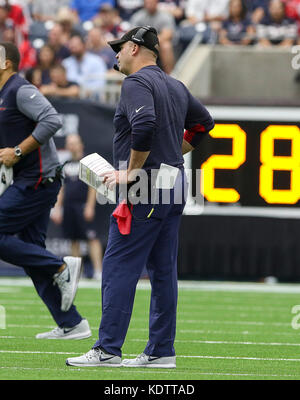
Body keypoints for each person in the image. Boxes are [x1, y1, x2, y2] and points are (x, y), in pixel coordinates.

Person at [66, 26, 214, 368]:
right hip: (175, 184)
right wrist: (172, 151)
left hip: (146, 188)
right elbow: (205, 124)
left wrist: (130, 172)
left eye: (119, 47)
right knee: (163, 272)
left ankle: (108, 350)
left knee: (118, 267)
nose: (115, 53)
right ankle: (162, 351)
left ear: (134, 48)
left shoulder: (135, 83)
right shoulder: (175, 84)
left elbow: (144, 123)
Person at [0, 41, 91, 339]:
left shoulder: (19, 89)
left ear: (7, 63)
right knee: (31, 254)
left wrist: (17, 150)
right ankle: (72, 323)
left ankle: (60, 266)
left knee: (35, 256)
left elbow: (53, 119)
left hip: (39, 179)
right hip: (31, 180)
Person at [51, 134, 103, 281]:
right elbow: (62, 188)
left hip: (83, 205)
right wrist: (57, 208)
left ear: (81, 145)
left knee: (92, 238)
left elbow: (93, 186)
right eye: (70, 143)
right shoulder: (65, 164)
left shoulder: (87, 163)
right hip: (68, 207)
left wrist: (90, 206)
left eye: (75, 143)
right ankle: (76, 272)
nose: (72, 146)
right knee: (73, 239)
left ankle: (98, 271)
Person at [130, 0, 176, 73]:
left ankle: (170, 76)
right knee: (132, 46)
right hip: (142, 44)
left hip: (159, 44)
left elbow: (167, 35)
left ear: (156, 2)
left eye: (151, 3)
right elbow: (132, 35)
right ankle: (136, 76)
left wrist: (151, 42)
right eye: (147, 3)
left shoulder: (165, 16)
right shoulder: (137, 17)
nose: (149, 5)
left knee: (166, 46)